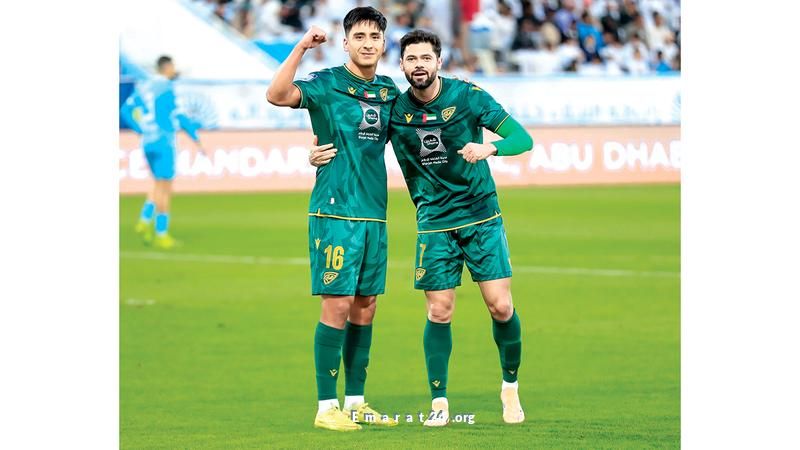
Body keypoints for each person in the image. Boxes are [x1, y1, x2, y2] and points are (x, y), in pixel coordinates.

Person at [311, 29, 534, 427]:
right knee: (439, 309)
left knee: (501, 306)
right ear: (401, 65)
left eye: (425, 58)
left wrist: (490, 147)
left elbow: (522, 138)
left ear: (439, 61)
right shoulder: (395, 110)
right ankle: (440, 402)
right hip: (434, 223)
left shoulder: (468, 96)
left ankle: (510, 387)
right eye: (411, 59)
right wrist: (317, 149)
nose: (419, 65)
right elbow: (357, 137)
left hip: (481, 215)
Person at [265, 7, 400, 431]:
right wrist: (302, 47)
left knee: (366, 306)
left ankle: (356, 402)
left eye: (374, 37)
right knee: (337, 304)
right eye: (359, 36)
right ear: (345, 43)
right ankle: (326, 407)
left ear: (383, 43)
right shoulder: (326, 83)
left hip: (374, 213)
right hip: (335, 210)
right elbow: (277, 94)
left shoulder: (388, 91)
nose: (367, 43)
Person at [120, 55, 204, 250]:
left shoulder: (144, 86)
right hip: (164, 139)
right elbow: (178, 115)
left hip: (147, 141)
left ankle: (144, 219)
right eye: (172, 66)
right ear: (166, 67)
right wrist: (195, 137)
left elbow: (125, 110)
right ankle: (161, 233)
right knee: (166, 187)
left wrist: (140, 129)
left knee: (158, 183)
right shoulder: (167, 87)